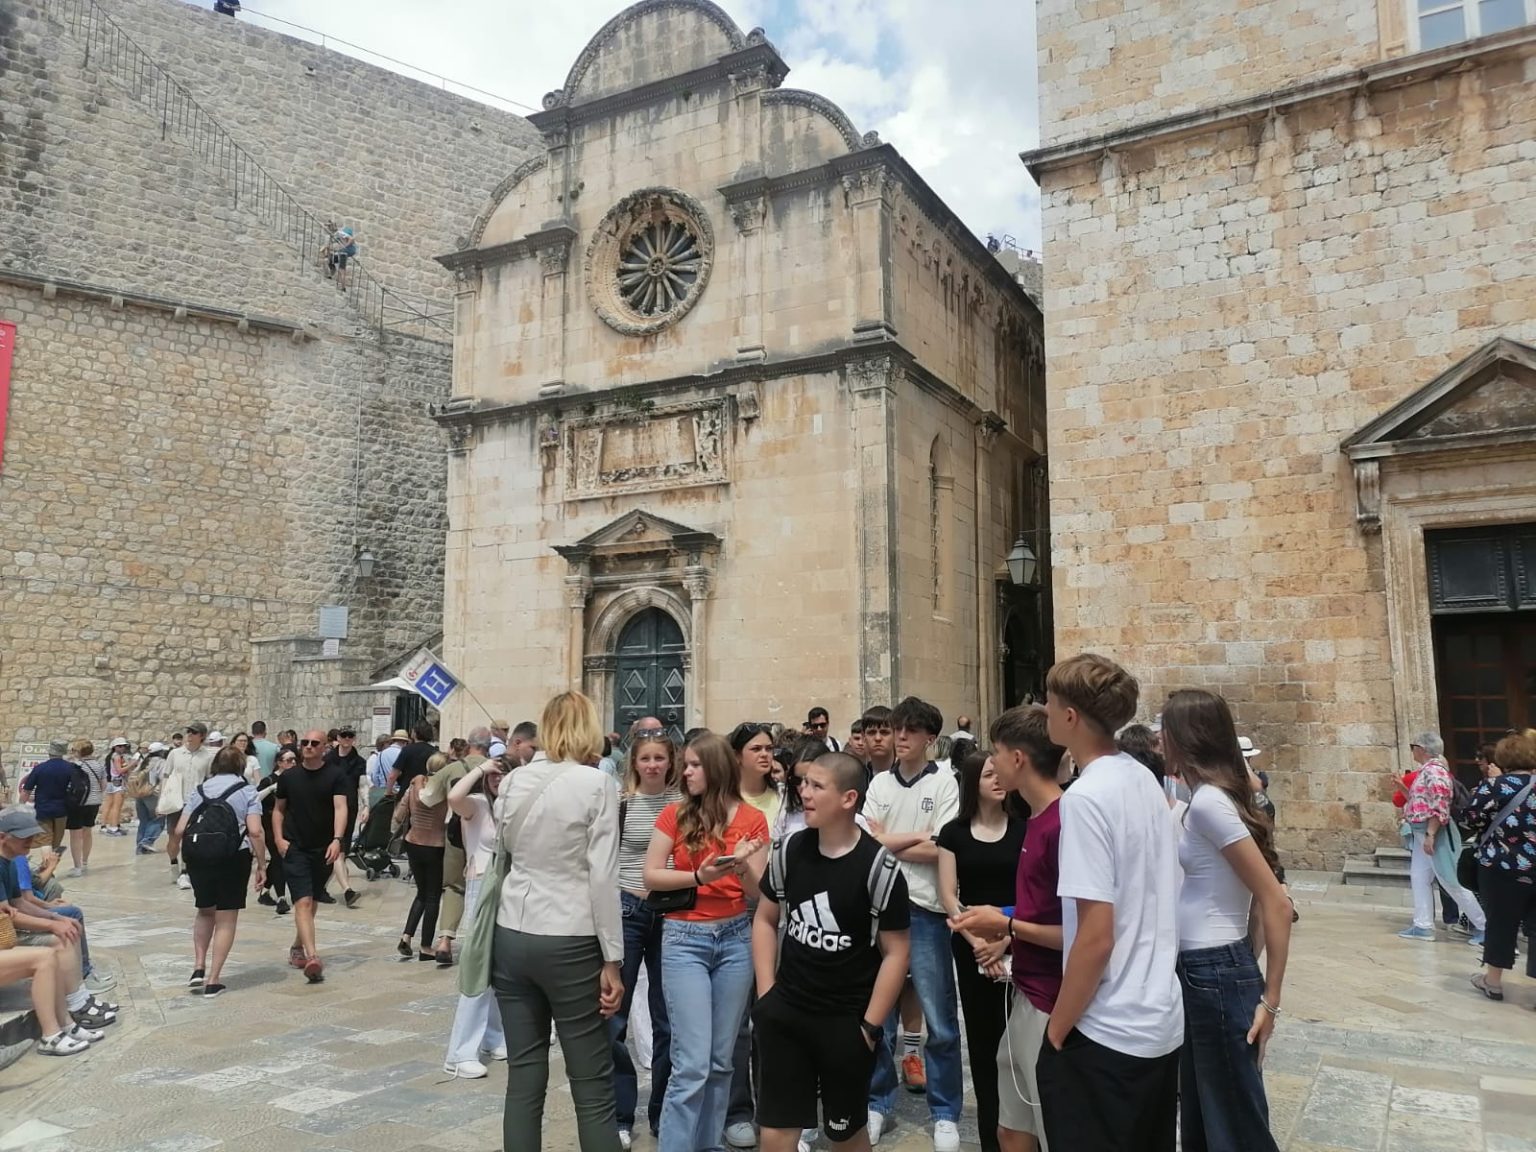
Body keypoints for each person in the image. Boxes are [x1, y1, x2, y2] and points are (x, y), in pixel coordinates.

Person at [1037, 654, 1183, 1152]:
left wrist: (1057, 1030)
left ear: (1070, 716)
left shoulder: (1084, 798)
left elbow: (1096, 936)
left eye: (1049, 702)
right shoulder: (1141, 777)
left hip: (1107, 1028)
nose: (1044, 711)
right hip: (1159, 1019)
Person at [752, 751, 912, 1152]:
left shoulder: (879, 869)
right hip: (786, 1014)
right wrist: (767, 995)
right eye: (804, 783)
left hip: (846, 1023)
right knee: (775, 1134)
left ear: (848, 799)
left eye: (817, 786)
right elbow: (765, 919)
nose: (804, 793)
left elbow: (896, 953)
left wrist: (870, 1027)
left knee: (845, 1136)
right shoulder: (789, 851)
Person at [491, 690, 623, 1152]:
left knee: (524, 1076)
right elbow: (603, 876)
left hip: (513, 929)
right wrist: (613, 958)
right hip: (570, 933)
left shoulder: (513, 781)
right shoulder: (596, 783)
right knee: (592, 1082)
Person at [1161, 690, 1291, 1152]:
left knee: (1233, 1121)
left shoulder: (1209, 803)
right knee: (1205, 1114)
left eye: (1165, 731)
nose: (1160, 741)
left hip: (1213, 971)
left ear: (1186, 737)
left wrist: (1271, 1000)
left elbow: (1275, 901)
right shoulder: (1207, 798)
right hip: (1208, 970)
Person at [644, 732, 770, 1152]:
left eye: (695, 765)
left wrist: (742, 865)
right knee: (692, 1064)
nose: (686, 772)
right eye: (686, 765)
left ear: (715, 769)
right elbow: (651, 875)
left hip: (735, 937)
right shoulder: (675, 814)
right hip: (685, 939)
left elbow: (758, 893)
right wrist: (700, 876)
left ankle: (709, 1144)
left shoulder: (752, 819)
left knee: (720, 1061)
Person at [950, 705, 1067, 1152]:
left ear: (1017, 758)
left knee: (1050, 1124)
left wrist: (1006, 925)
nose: (992, 763)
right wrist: (1006, 934)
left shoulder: (1063, 821)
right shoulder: (1037, 820)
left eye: (996, 753)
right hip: (1025, 991)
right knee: (1011, 1130)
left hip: (1051, 1001)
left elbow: (1085, 932)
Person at [862, 697, 962, 1151]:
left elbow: (943, 847)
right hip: (880, 907)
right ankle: (877, 1103)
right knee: (878, 1016)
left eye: (911, 730)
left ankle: (945, 1113)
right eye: (896, 728)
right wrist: (918, 838)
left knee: (939, 1018)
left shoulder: (944, 782)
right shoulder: (880, 782)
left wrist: (890, 841)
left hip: (925, 908)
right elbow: (865, 843)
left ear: (930, 738)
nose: (901, 737)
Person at [936, 751, 1027, 1152]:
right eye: (989, 774)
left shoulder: (1023, 829)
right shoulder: (953, 833)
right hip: (971, 944)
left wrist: (1005, 939)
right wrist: (978, 944)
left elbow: (1032, 894)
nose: (997, 780)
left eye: (999, 773)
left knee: (1018, 1041)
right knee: (983, 1042)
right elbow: (948, 895)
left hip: (1017, 939)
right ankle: (992, 1136)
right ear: (973, 781)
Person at [610, 731, 682, 1146]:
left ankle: (661, 1112)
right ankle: (621, 1114)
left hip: (671, 911)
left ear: (670, 762)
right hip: (628, 908)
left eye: (659, 758)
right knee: (615, 1014)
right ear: (634, 763)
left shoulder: (682, 804)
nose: (653, 765)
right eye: (645, 758)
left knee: (666, 1016)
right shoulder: (622, 803)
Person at [0, 809, 118, 1038]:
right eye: (24, 837)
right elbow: (9, 915)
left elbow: (19, 903)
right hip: (5, 934)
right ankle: (73, 1009)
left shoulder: (11, 862)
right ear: (3, 837)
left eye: (31, 836)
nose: (30, 841)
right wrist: (52, 924)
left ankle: (78, 1002)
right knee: (58, 941)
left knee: (67, 926)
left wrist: (56, 918)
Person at [177, 746, 266, 997]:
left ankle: (198, 966)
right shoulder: (247, 791)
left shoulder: (199, 790)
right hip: (233, 857)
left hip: (199, 857)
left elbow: (180, 829)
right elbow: (255, 831)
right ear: (241, 766)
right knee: (226, 918)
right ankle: (214, 980)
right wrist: (262, 864)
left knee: (205, 911)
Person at [443, 753, 509, 1077]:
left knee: (498, 968)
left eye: (504, 773)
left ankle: (493, 1036)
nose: (497, 778)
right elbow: (453, 797)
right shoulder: (478, 805)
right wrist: (482, 767)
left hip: (506, 891)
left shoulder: (511, 808)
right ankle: (459, 1053)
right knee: (477, 967)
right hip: (480, 887)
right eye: (493, 775)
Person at [272, 729, 349, 983]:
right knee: (303, 902)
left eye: (314, 743)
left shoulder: (336, 775)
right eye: (304, 742)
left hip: (323, 847)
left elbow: (340, 807)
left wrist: (337, 839)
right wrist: (279, 839)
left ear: (325, 746)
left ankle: (297, 945)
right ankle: (313, 956)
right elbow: (278, 810)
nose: (307, 746)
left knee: (312, 901)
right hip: (295, 847)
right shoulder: (289, 777)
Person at [1466, 728, 1536, 1002]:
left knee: (1500, 922)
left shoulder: (1494, 786)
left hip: (1501, 866)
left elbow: (1469, 819)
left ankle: (1493, 982)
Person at [1397, 732, 1486, 944]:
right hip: (1421, 832)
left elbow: (1440, 805)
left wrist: (1431, 834)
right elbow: (1421, 802)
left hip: (1433, 833)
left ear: (1422, 749)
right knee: (1419, 877)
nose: (1412, 750)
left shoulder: (1435, 772)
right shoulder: (1427, 771)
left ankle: (1486, 927)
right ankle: (1423, 925)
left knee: (1450, 880)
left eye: (1414, 746)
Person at [423, 727, 493, 966]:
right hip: (485, 833)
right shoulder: (496, 768)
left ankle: (444, 941)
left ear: (469, 744)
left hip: (455, 831)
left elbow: (428, 797)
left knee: (453, 886)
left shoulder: (451, 769)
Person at [394, 751, 451, 961]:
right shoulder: (445, 790)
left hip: (413, 842)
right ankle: (426, 946)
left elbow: (400, 813)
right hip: (435, 845)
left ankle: (406, 936)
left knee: (421, 893)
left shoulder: (415, 784)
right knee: (433, 896)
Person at [158, 721, 216, 891]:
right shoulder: (175, 754)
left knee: (189, 838)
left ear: (202, 736)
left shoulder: (207, 756)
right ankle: (173, 863)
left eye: (194, 732)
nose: (189, 735)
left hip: (195, 802)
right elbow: (166, 776)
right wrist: (162, 801)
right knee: (173, 836)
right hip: (176, 801)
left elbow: (209, 779)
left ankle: (185, 871)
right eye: (188, 732)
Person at [324, 727, 368, 908]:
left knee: (340, 850)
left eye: (350, 736)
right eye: (344, 736)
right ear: (338, 738)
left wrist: (367, 806)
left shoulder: (359, 761)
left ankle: (322, 888)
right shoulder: (328, 759)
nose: (347, 739)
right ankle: (347, 890)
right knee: (338, 850)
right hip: (328, 808)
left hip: (349, 808)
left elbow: (363, 785)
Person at [257, 747, 296, 914]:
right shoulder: (269, 780)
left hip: (289, 825)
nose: (293, 763)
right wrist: (271, 788)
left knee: (278, 859)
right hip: (269, 825)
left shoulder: (295, 779)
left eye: (294, 760)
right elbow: (255, 798)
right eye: (288, 760)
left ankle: (265, 891)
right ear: (279, 763)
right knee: (279, 858)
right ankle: (281, 898)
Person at [19, 740, 75, 852]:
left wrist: (20, 806)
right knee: (57, 840)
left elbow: (26, 791)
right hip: (62, 809)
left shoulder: (40, 768)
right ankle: (52, 858)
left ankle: (46, 861)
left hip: (43, 809)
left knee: (44, 839)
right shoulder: (71, 768)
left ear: (50, 753)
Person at [62, 739, 106, 876]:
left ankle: (77, 867)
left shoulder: (76, 765)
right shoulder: (99, 766)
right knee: (87, 831)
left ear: (79, 751)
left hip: (78, 802)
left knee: (75, 834)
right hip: (94, 802)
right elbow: (103, 785)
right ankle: (85, 862)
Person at [129, 742, 171, 853]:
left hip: (140, 795)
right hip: (153, 795)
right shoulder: (161, 763)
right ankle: (146, 842)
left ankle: (140, 846)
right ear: (161, 752)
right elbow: (163, 780)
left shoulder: (144, 762)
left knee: (144, 821)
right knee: (158, 819)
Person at [389, 722, 438, 793]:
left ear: (414, 733)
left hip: (407, 790)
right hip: (427, 791)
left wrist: (388, 791)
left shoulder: (407, 750)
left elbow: (393, 775)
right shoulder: (435, 751)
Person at [101, 737, 134, 837]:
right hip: (118, 783)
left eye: (123, 746)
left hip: (111, 782)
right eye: (120, 746)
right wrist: (132, 764)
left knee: (109, 804)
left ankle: (105, 825)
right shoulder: (117, 757)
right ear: (115, 747)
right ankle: (114, 826)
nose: (122, 748)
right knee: (117, 806)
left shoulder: (111, 756)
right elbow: (120, 770)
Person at [325, 224, 358, 290]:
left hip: (343, 254)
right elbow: (334, 238)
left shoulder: (349, 239)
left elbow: (351, 239)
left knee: (341, 270)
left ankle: (343, 287)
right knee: (331, 260)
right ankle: (331, 274)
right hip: (341, 253)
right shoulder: (341, 237)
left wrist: (345, 245)